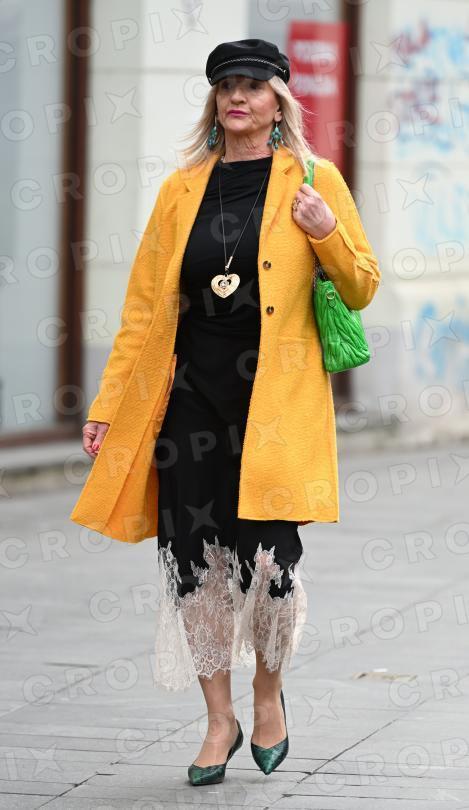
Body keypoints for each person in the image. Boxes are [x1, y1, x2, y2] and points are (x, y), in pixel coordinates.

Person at [70, 38, 381, 786]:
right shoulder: (181, 190)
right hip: (189, 401)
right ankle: (219, 719)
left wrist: (324, 231)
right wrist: (109, 404)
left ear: (278, 102)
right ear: (214, 102)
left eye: (252, 86)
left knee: (272, 565)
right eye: (225, 86)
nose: (237, 97)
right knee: (193, 562)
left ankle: (268, 696)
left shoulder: (315, 180)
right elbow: (142, 310)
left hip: (274, 405)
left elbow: (362, 285)